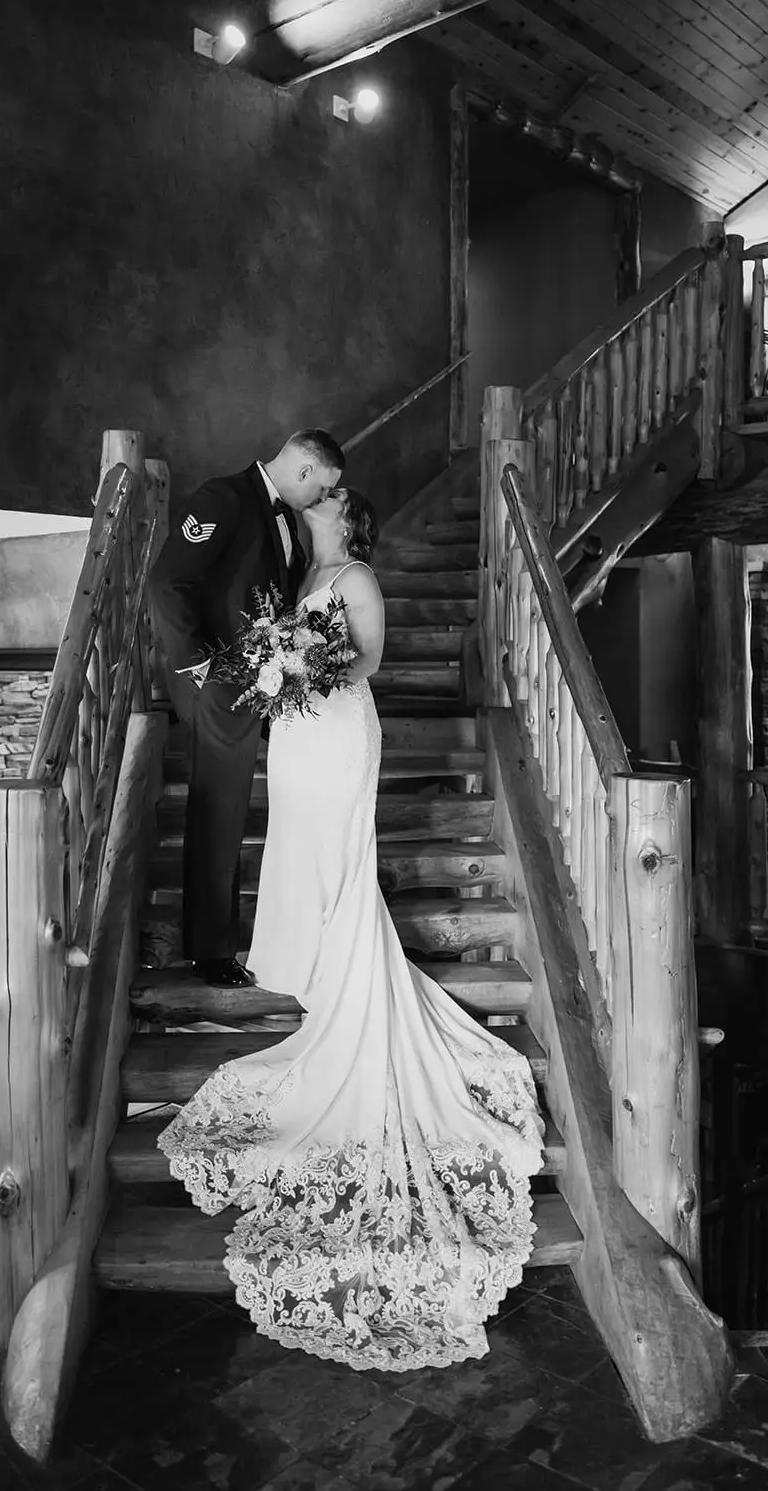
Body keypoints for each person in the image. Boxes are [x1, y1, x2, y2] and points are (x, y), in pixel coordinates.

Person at [158, 487, 544, 1371]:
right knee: (297, 846)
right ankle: (317, 965)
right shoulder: (305, 572)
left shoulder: (357, 577)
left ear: (344, 516)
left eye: (326, 498)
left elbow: (367, 659)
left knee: (336, 850)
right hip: (295, 734)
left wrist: (303, 668)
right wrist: (275, 663)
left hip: (336, 728)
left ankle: (352, 980)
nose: (314, 504)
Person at [148, 431, 344, 988]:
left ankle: (317, 929)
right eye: (320, 488)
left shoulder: (279, 515)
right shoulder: (224, 498)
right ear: (303, 471)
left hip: (264, 683)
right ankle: (210, 952)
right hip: (220, 686)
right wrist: (197, 667)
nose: (320, 500)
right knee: (220, 812)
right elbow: (167, 582)